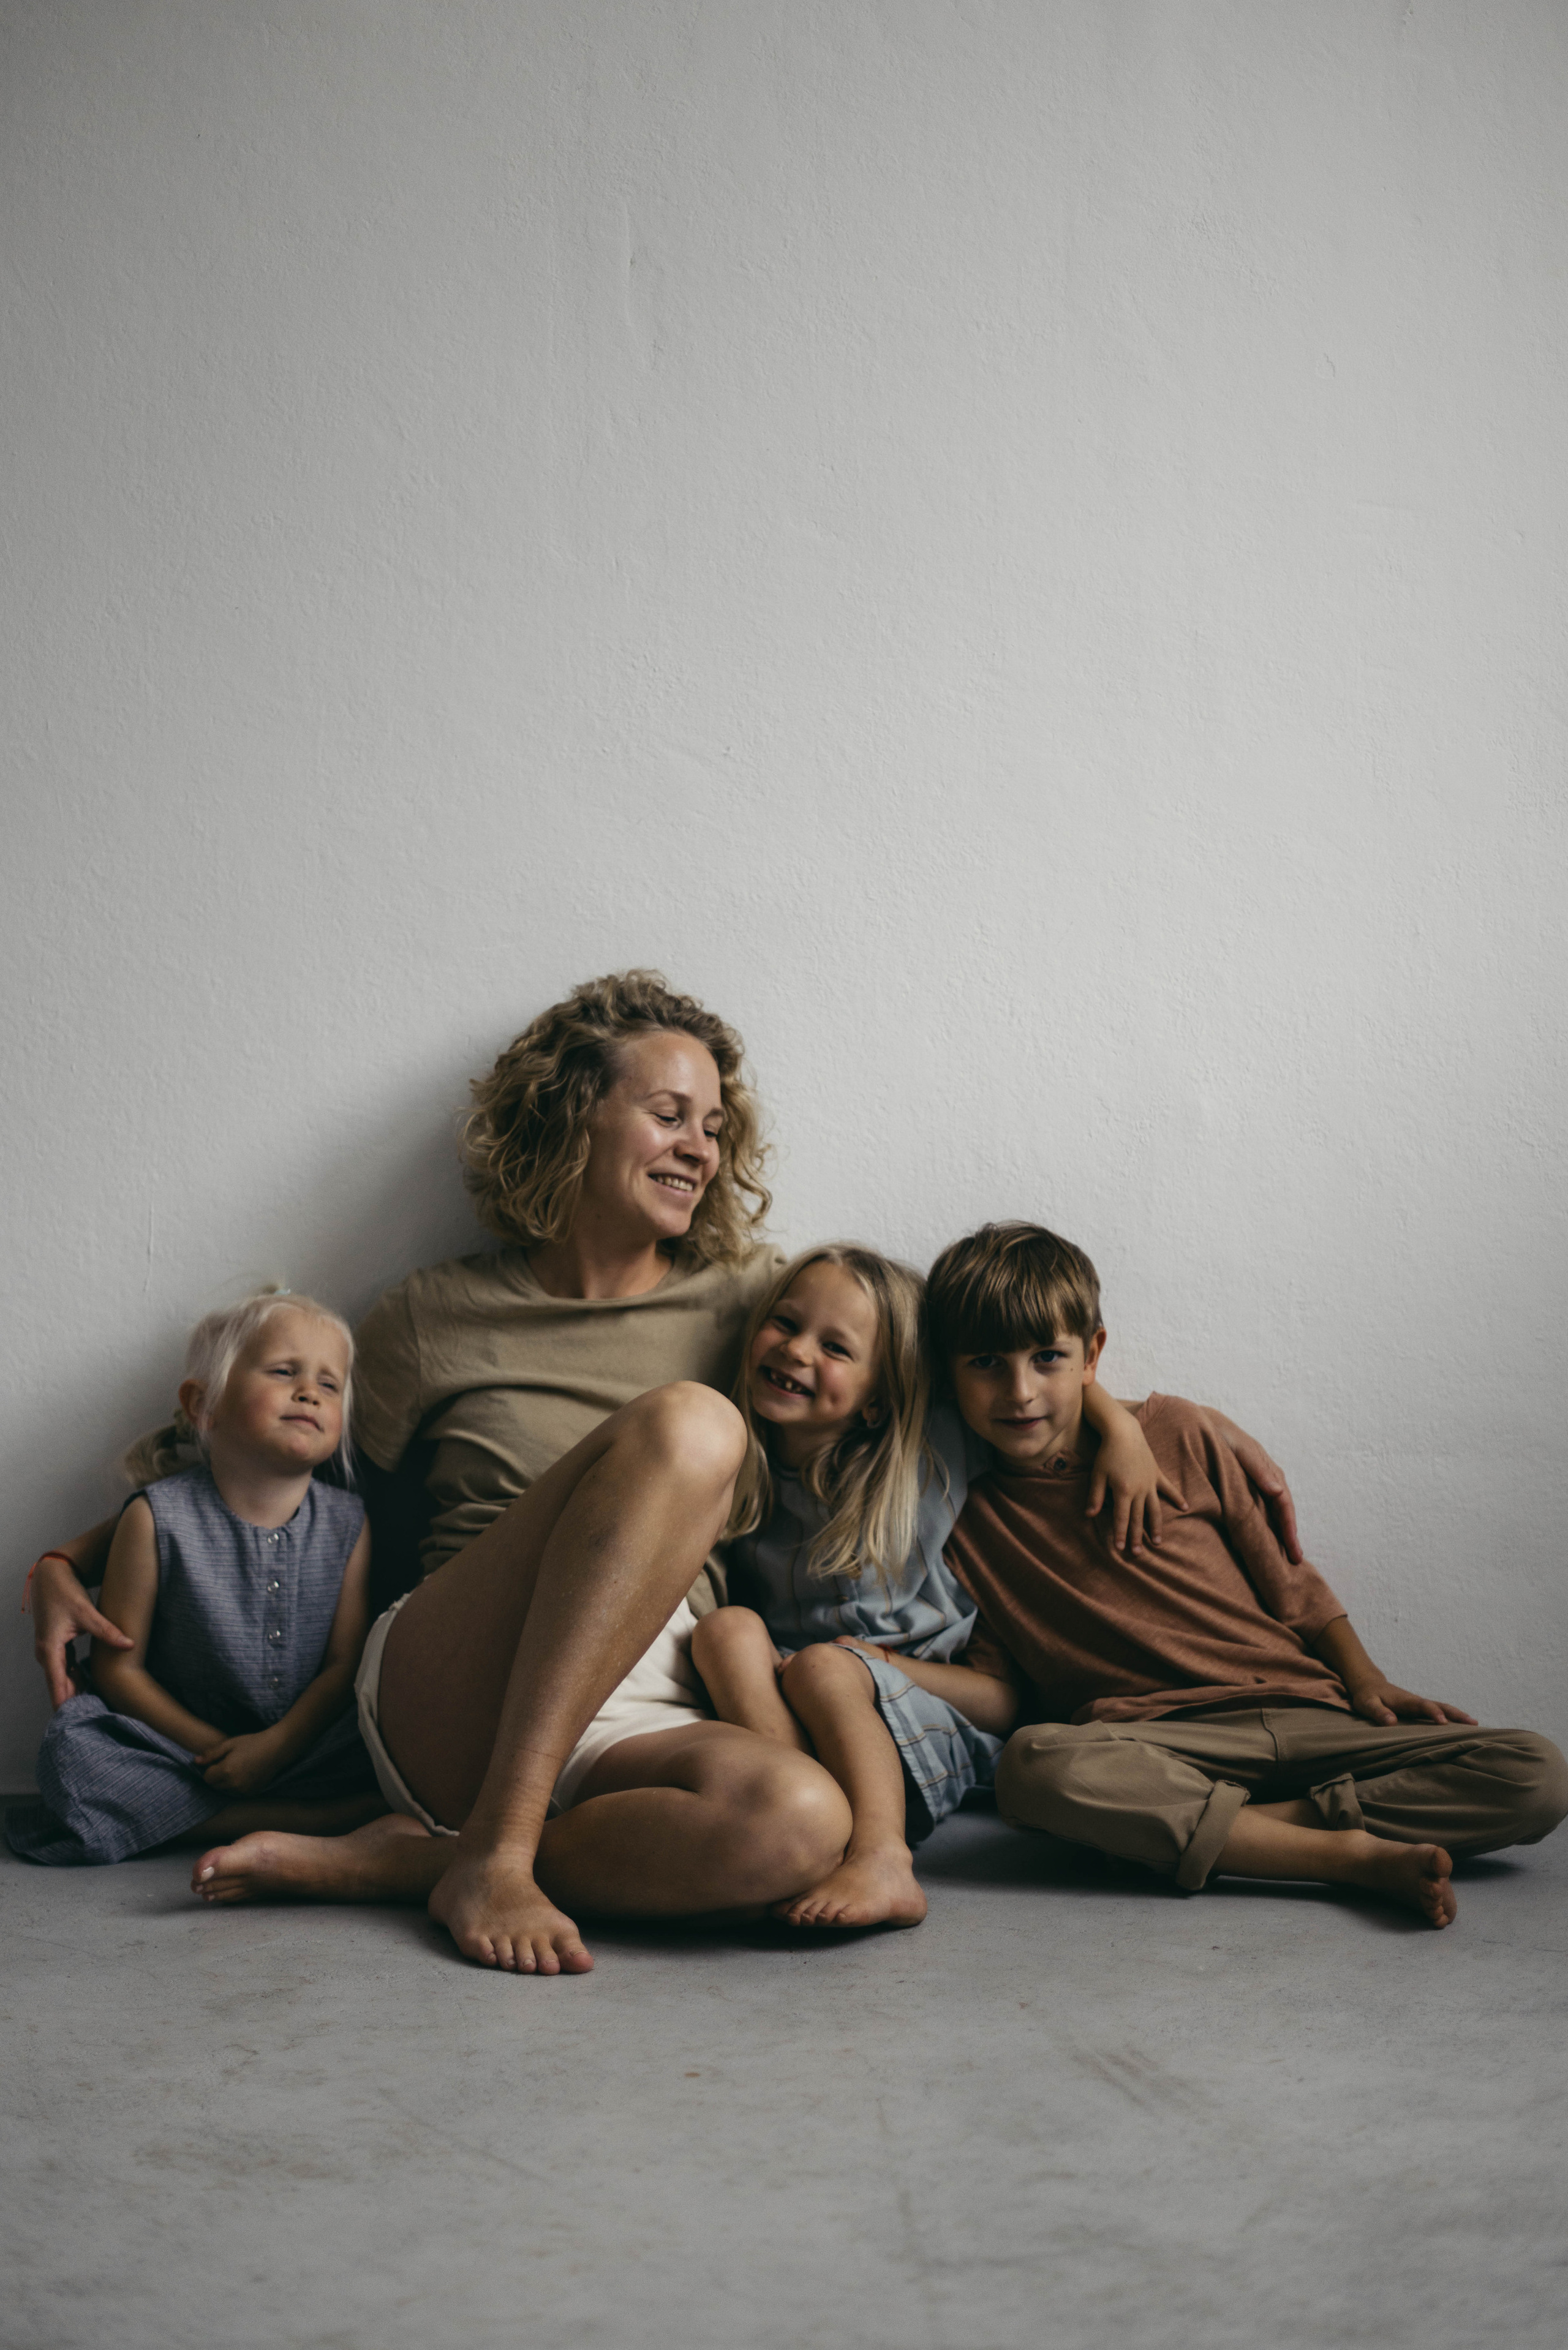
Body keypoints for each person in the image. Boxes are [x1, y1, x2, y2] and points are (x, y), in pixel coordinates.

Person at [23, 974, 1301, 1972]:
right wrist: (69, 1554)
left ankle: (417, 1862)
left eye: (715, 1124)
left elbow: (949, 1369)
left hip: (653, 1695)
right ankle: (493, 1851)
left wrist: (1128, 1416)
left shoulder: (753, 1302)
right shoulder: (431, 1315)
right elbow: (272, 1457)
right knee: (692, 1426)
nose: (700, 1144)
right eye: (669, 1111)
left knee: (800, 1825)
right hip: (459, 1679)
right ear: (573, 1111)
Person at [927, 1221, 1568, 1928]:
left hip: (1310, 1715)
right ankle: (1343, 1855)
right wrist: (870, 1667)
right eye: (986, 1363)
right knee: (1033, 1767)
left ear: (1092, 1354)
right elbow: (1000, 1691)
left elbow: (1291, 1584)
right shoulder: (967, 1526)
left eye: (1047, 1357)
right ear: (948, 1373)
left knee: (1535, 1773)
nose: (1020, 1391)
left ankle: (1242, 1834)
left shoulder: (1179, 1433)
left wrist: (1365, 1679)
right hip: (1160, 1745)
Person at [9, 1294, 382, 1866]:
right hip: (178, 1749)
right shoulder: (156, 1517)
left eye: (329, 1384)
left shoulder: (348, 1523)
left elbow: (343, 1666)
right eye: (284, 1372)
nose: (310, 1391)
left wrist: (276, 1748)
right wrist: (219, 1753)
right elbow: (119, 1669)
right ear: (204, 1406)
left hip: (305, 1748)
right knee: (74, 1752)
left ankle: (194, 1819)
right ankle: (299, 1821)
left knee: (396, 1735)